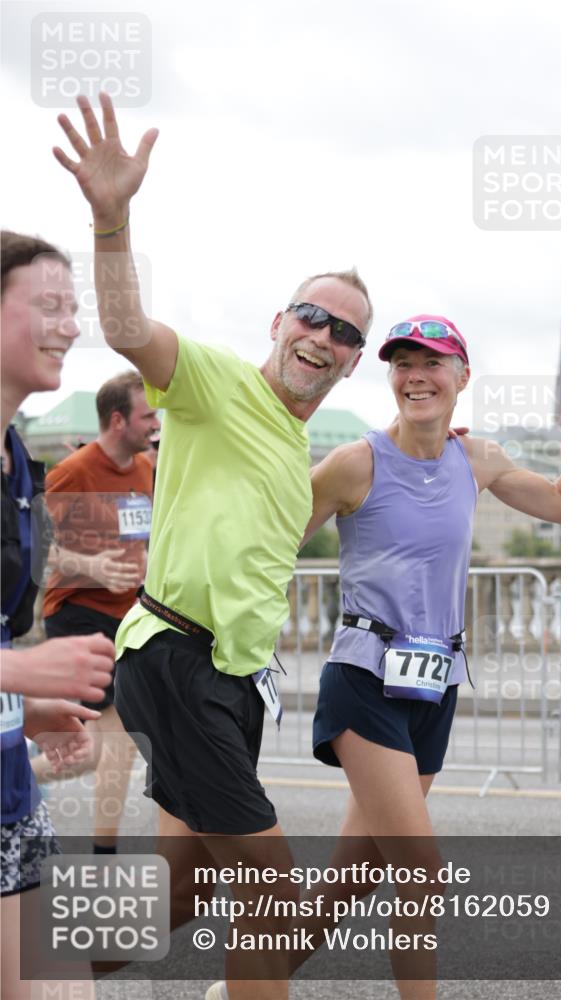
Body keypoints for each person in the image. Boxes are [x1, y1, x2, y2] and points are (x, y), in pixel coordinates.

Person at [53, 93, 372, 1000]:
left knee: (176, 896)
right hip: (175, 657)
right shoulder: (214, 384)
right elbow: (127, 331)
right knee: (268, 886)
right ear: (280, 322)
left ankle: (24, 968)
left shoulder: (296, 451)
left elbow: (288, 538)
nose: (323, 337)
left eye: (345, 333)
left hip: (237, 682)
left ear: (352, 361)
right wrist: (112, 222)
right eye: (311, 317)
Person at [285, 315, 561, 999]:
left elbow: (559, 505)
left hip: (432, 685)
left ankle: (248, 981)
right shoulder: (356, 461)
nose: (416, 376)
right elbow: (272, 539)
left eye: (432, 363)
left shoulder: (477, 458)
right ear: (389, 376)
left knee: (351, 877)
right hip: (361, 677)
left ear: (461, 377)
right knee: (419, 869)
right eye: (403, 362)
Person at [1, 230, 117, 999]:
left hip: (11, 791)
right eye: (49, 306)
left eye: (74, 309)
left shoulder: (16, 452)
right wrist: (17, 669)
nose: (72, 326)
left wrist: (27, 706)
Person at [31, 371, 159, 854]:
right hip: (77, 613)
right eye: (147, 415)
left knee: (96, 752)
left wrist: (146, 566)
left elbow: (141, 537)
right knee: (119, 741)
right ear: (118, 419)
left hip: (128, 618)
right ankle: (104, 858)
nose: (155, 424)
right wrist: (91, 567)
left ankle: (16, 773)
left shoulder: (146, 469)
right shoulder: (74, 472)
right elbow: (35, 548)